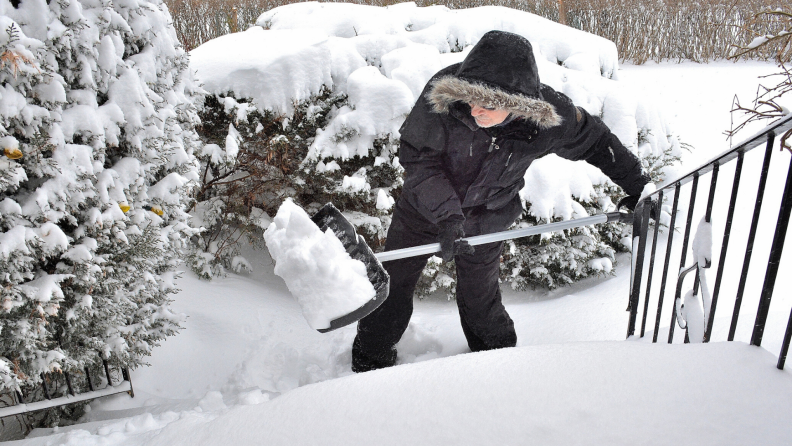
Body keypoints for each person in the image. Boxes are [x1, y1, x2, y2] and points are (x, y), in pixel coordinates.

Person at [352, 30, 650, 373]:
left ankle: (499, 365)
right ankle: (368, 361)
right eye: (471, 99)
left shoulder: (548, 118)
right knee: (393, 285)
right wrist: (447, 216)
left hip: (487, 218)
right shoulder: (444, 99)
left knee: (481, 299)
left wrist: (638, 184)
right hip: (422, 213)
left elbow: (596, 141)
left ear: (517, 103)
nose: (475, 109)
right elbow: (420, 162)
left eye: (489, 105)